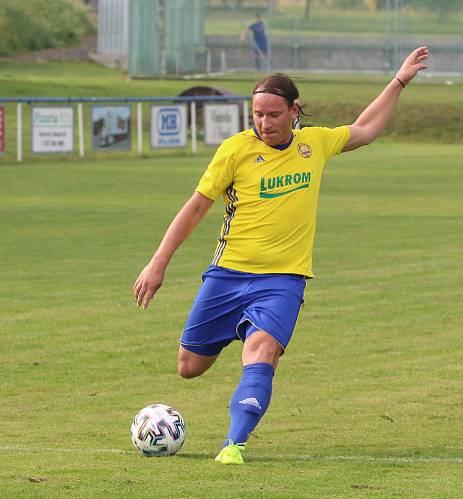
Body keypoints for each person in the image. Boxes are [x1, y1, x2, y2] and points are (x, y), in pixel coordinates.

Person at [133, 47, 430, 465]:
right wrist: (158, 262)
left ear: (294, 111)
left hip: (283, 281)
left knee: (262, 352)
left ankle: (233, 444)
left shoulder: (316, 145)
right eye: (257, 114)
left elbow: (365, 128)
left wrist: (399, 81)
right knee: (189, 366)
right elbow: (196, 206)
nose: (263, 123)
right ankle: (241, 328)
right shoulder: (235, 151)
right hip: (228, 275)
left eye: (273, 115)